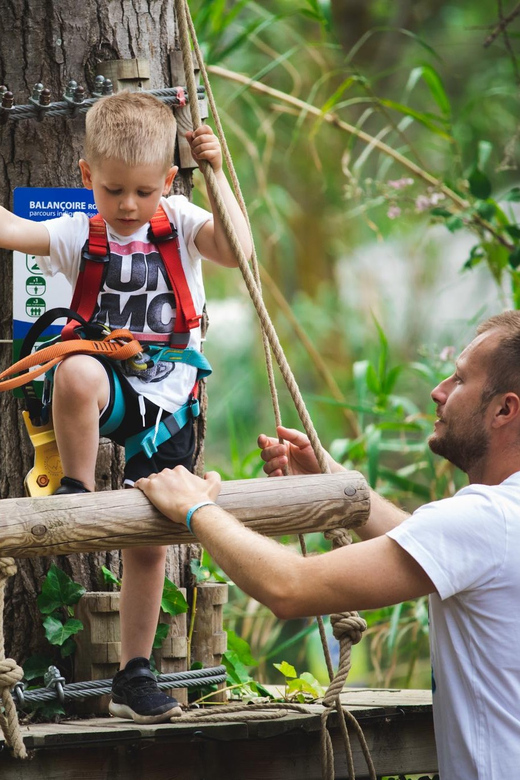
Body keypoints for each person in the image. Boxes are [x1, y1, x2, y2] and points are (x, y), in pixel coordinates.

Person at [136, 310, 520, 778]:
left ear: (504, 409)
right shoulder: (499, 520)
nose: (438, 391)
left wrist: (198, 509)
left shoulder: (486, 519)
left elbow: (290, 587)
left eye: (459, 379)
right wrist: (331, 479)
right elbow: (435, 548)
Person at [0, 91, 251, 724]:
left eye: (143, 191)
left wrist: (218, 174)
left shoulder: (185, 220)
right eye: (113, 192)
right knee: (77, 369)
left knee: (151, 538)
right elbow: (11, 230)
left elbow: (239, 250)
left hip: (168, 403)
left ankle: (134, 672)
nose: (129, 206)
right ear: (88, 179)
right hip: (107, 390)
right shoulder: (74, 231)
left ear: (167, 182)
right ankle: (79, 488)